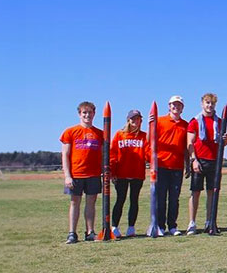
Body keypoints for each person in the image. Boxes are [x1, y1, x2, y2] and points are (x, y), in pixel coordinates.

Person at [60, 101, 103, 244]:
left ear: (94, 114)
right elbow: (65, 155)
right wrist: (67, 176)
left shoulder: (100, 134)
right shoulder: (70, 132)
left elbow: (104, 154)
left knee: (91, 202)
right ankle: (72, 233)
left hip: (93, 174)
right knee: (75, 202)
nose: (87, 115)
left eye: (90, 112)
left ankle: (90, 232)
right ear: (79, 114)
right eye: (84, 112)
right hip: (76, 174)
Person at [186, 93, 227, 235]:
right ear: (202, 104)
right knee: (196, 192)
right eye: (207, 103)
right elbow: (190, 143)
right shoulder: (195, 121)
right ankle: (192, 223)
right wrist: (194, 160)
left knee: (212, 192)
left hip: (214, 162)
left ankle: (210, 221)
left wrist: (225, 139)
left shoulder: (220, 121)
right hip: (199, 160)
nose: (210, 106)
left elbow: (223, 143)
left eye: (212, 103)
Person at [109, 109, 148, 238]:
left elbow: (148, 153)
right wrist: (112, 171)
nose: (135, 121)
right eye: (133, 119)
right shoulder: (120, 135)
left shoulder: (143, 136)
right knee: (120, 199)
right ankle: (114, 227)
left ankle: (131, 227)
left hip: (137, 173)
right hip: (121, 174)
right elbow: (113, 154)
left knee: (134, 200)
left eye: (137, 119)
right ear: (128, 120)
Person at [156, 95, 189, 235]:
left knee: (174, 198)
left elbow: (186, 147)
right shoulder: (159, 121)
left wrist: (188, 164)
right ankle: (160, 226)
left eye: (179, 105)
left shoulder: (185, 125)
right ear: (169, 106)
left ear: (182, 108)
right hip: (161, 165)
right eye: (173, 105)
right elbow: (150, 141)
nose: (176, 107)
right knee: (161, 197)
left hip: (177, 167)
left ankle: (172, 226)